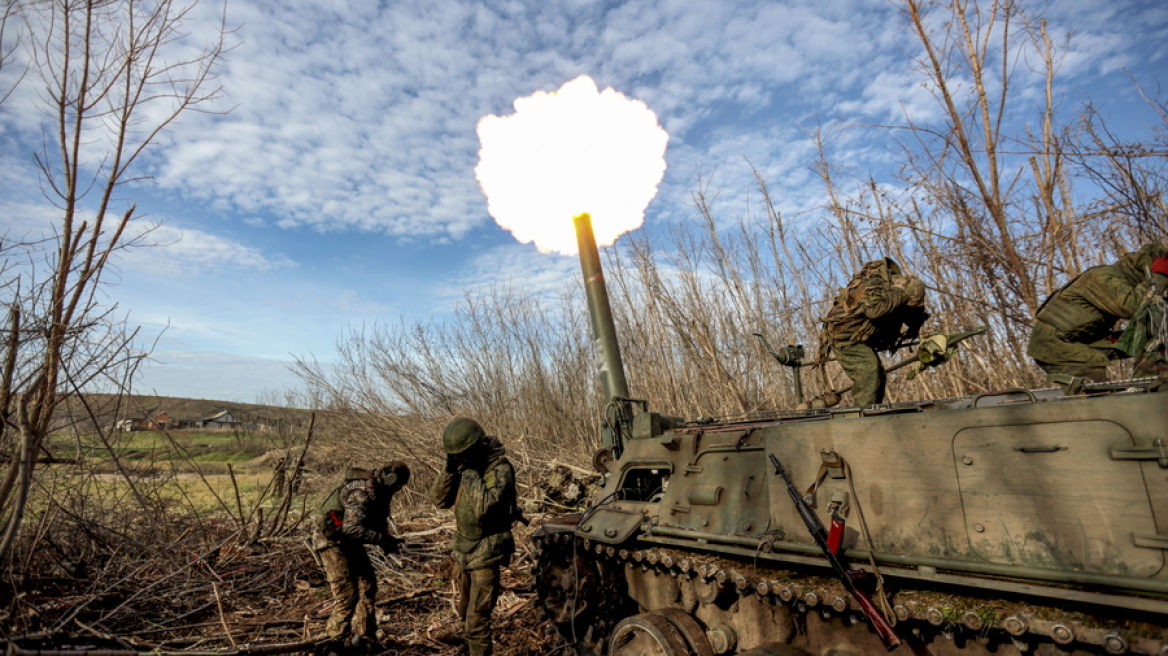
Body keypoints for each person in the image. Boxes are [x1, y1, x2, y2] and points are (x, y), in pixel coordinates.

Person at [430, 418, 518, 656]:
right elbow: (440, 500)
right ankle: (469, 650)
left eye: (462, 454)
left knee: (477, 619)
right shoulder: (465, 465)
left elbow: (481, 511)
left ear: (478, 446)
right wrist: (450, 469)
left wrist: (469, 472)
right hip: (465, 550)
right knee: (465, 610)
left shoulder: (499, 468)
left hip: (486, 552)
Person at [1028, 243, 1168, 384]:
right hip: (1055, 344)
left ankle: (1151, 388)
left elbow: (1154, 313)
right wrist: (1159, 277)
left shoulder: (1131, 283)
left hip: (1086, 339)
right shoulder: (1102, 276)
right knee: (1095, 391)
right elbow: (1132, 307)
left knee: (1156, 339)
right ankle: (1139, 399)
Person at [313, 462, 410, 654]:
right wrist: (382, 539)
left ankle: (365, 637)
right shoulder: (361, 491)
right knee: (347, 595)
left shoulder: (381, 492)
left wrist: (388, 543)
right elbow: (352, 529)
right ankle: (333, 642)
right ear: (390, 480)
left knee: (368, 585)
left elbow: (377, 522)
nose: (399, 490)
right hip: (331, 542)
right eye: (398, 486)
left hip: (348, 541)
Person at [819, 257, 929, 406]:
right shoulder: (875, 284)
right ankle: (865, 415)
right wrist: (900, 293)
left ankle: (873, 410)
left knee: (878, 374)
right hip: (844, 336)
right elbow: (874, 311)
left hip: (858, 336)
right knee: (868, 370)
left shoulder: (892, 290)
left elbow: (910, 314)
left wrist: (923, 330)